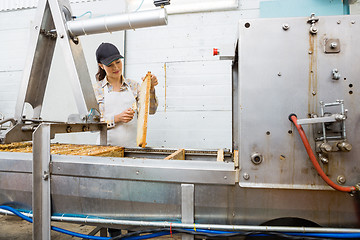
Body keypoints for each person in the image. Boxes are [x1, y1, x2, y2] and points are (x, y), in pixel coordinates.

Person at [93, 42, 158, 147]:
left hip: (132, 149)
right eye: (110, 65)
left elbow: (151, 110)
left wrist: (150, 88)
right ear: (101, 65)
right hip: (105, 150)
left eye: (118, 62)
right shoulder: (96, 90)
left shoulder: (134, 86)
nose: (116, 68)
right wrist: (117, 118)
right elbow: (92, 126)